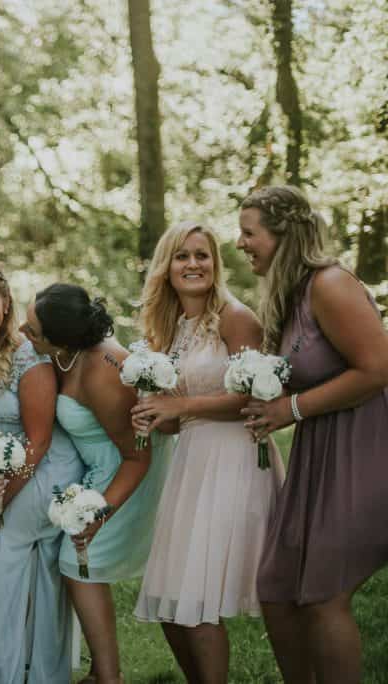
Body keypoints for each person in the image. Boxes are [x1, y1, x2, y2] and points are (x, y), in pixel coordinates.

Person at [237, 186, 388, 684]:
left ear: (282, 236)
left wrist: (291, 408)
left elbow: (377, 368)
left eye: (249, 232)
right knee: (277, 586)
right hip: (317, 452)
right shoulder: (293, 295)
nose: (241, 243)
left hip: (363, 448)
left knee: (325, 594)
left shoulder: (330, 284)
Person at [130, 222, 283, 683]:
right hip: (193, 459)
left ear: (216, 264)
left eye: (202, 255)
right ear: (166, 267)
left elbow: (257, 398)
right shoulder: (175, 327)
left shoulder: (236, 318)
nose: (193, 264)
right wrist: (156, 414)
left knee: (196, 600)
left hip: (235, 459)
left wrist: (181, 404)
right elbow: (179, 416)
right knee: (172, 603)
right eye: (182, 256)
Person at [24, 284, 170, 684]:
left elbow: (139, 455)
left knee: (77, 562)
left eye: (33, 330)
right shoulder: (64, 355)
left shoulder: (105, 369)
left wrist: (101, 512)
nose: (23, 330)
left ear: (60, 340)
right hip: (96, 468)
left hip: (125, 470)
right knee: (73, 563)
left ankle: (108, 677)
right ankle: (101, 672)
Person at [0, 259, 84, 684]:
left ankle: (24, 669)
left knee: (0, 563)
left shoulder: (29, 358)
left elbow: (39, 440)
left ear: (6, 305)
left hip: (39, 468)